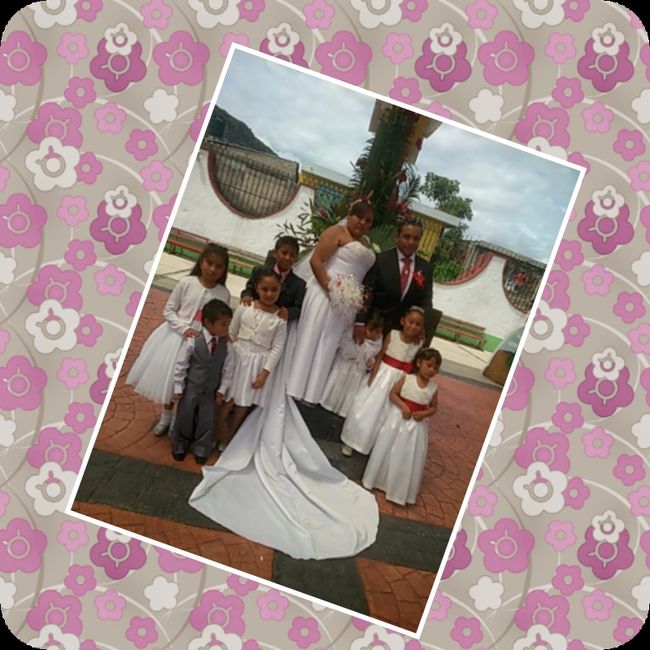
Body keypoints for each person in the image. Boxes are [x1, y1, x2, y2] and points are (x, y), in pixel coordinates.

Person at [126, 243, 231, 436]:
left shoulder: (223, 294)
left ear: (224, 270)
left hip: (202, 345)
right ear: (201, 261)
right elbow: (169, 310)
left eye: (218, 266)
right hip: (176, 338)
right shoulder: (186, 283)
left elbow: (220, 320)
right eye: (209, 263)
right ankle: (165, 417)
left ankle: (178, 419)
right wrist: (184, 328)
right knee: (171, 379)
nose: (212, 269)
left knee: (190, 383)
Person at [286, 200, 376, 404]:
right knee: (312, 337)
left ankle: (311, 394)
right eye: (359, 217)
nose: (362, 222)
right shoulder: (337, 232)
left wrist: (347, 297)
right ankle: (294, 388)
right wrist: (332, 290)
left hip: (345, 303)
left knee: (328, 343)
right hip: (324, 293)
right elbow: (316, 261)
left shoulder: (366, 243)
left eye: (368, 220)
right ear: (350, 215)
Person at [340, 306, 424, 457]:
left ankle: (374, 447)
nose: (413, 326)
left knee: (386, 416)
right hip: (382, 377)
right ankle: (352, 441)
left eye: (418, 324)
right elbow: (380, 356)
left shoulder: (419, 344)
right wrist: (373, 375)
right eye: (411, 322)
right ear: (403, 321)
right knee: (367, 408)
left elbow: (414, 368)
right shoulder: (393, 335)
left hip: (399, 383)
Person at [362, 348, 441, 506]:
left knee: (407, 454)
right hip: (397, 420)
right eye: (429, 365)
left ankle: (397, 489)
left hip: (416, 427)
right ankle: (377, 479)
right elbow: (393, 394)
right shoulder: (407, 379)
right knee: (388, 447)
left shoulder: (433, 388)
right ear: (419, 363)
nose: (432, 370)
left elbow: (434, 408)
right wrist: (403, 406)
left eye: (435, 368)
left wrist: (424, 414)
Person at [219, 270, 287, 442]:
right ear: (257, 288)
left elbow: (277, 348)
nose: (269, 294)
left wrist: (265, 372)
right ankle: (215, 432)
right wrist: (229, 353)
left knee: (244, 402)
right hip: (237, 358)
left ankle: (231, 436)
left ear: (280, 290)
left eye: (274, 290)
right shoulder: (245, 307)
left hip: (257, 364)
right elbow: (232, 331)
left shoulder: (280, 319)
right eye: (265, 289)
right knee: (227, 398)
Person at [170, 299, 234, 465]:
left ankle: (201, 447)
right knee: (185, 414)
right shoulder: (193, 340)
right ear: (208, 323)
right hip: (191, 386)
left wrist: (222, 389)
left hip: (211, 390)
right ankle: (180, 443)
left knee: (208, 418)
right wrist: (178, 386)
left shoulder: (227, 346)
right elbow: (182, 364)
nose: (227, 328)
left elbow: (228, 369)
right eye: (223, 324)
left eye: (228, 325)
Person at [354, 219, 435, 344]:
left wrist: (422, 327)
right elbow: (367, 293)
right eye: (406, 237)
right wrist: (360, 322)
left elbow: (426, 301)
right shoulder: (380, 260)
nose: (411, 242)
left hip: (403, 334)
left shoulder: (426, 268)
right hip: (373, 328)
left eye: (416, 238)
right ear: (397, 237)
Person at [319, 312, 384, 418]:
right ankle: (329, 402)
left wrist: (370, 362)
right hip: (347, 363)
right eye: (373, 331)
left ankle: (343, 409)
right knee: (339, 383)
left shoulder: (376, 344)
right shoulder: (354, 333)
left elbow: (371, 357)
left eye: (378, 332)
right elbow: (345, 346)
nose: (375, 335)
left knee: (350, 390)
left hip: (357, 371)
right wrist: (357, 350)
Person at [241, 235, 306, 322]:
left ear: (296, 259)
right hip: (253, 317)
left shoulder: (298, 284)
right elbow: (249, 288)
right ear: (275, 253)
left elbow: (297, 307)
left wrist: (289, 312)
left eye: (292, 255)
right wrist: (246, 296)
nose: (287, 258)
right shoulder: (259, 271)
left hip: (276, 323)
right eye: (284, 253)